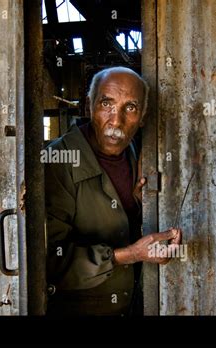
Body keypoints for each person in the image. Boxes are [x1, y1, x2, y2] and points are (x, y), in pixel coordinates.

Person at [44, 66, 182, 316]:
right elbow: (49, 260)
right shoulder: (58, 161)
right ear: (89, 106)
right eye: (106, 103)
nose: (116, 120)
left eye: (130, 108)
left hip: (130, 305)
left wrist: (139, 205)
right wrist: (130, 254)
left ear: (142, 117)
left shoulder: (138, 155)